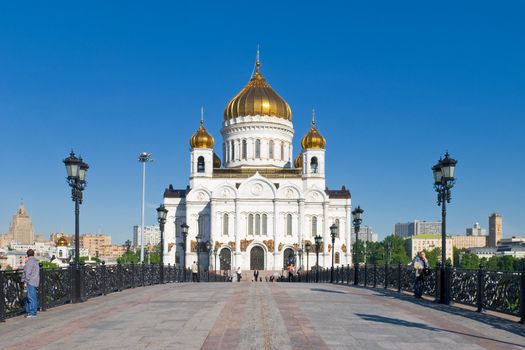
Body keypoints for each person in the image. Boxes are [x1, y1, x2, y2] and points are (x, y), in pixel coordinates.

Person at [22, 249, 39, 318]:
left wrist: (25, 281)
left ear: (27, 255)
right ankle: (32, 311)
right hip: (35, 281)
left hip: (30, 282)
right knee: (33, 297)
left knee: (30, 297)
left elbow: (27, 273)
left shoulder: (29, 262)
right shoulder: (35, 261)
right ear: (33, 254)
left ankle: (32, 313)